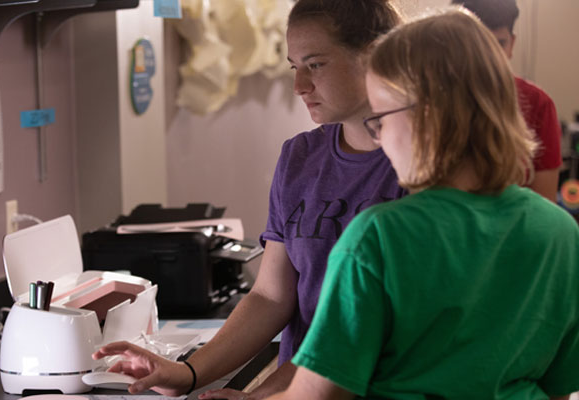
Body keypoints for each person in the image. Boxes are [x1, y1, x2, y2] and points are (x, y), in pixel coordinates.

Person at [91, 1, 405, 398]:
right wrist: (188, 373)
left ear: (374, 56)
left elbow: (367, 333)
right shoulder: (301, 158)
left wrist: (265, 397)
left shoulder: (423, 167)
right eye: (295, 67)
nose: (299, 86)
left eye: (316, 65)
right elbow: (271, 295)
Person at [266, 8, 579, 400]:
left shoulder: (378, 235)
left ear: (428, 117)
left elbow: (319, 395)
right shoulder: (560, 231)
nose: (378, 137)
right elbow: (559, 388)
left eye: (380, 118)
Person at [452, 0, 563, 202]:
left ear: (512, 44)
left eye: (500, 43)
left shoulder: (538, 104)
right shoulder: (436, 100)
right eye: (480, 44)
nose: (490, 57)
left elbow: (545, 207)